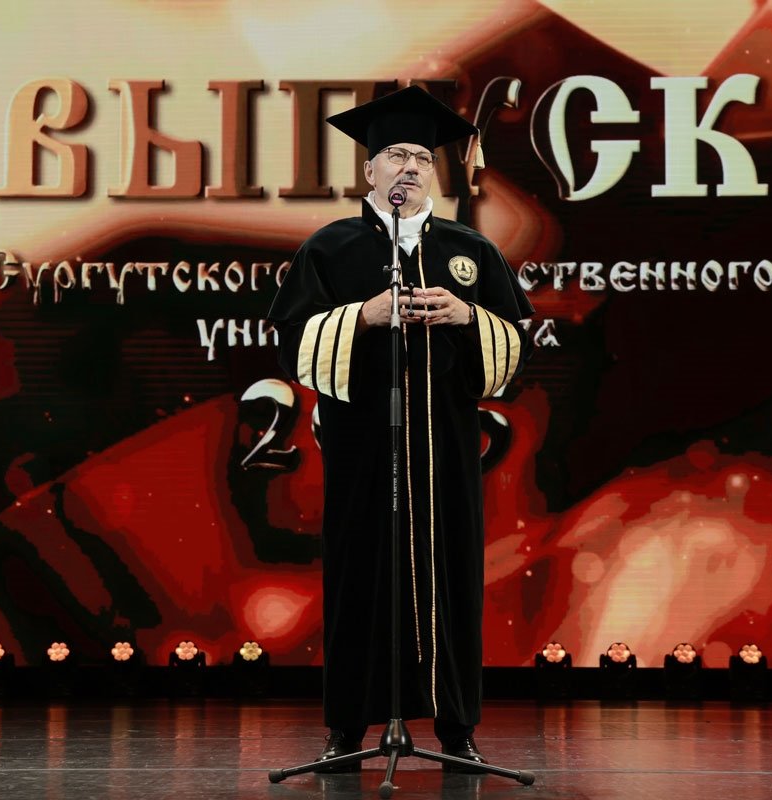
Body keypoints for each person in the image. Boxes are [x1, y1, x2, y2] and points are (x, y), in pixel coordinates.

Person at [267, 85, 534, 772]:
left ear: (434, 173)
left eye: (421, 157)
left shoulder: (470, 249)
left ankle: (457, 728)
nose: (410, 167)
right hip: (362, 447)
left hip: (446, 447)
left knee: (451, 578)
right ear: (370, 170)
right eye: (396, 156)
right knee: (359, 578)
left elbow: (516, 348)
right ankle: (346, 727)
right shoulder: (332, 248)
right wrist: (365, 316)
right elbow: (292, 343)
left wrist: (467, 316)